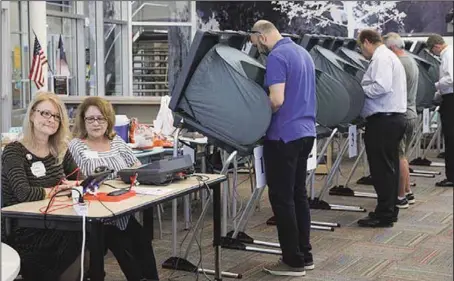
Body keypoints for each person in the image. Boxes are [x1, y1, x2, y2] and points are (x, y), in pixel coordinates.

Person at [249, 20, 316, 277]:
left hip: (283, 136)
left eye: (256, 45)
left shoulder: (277, 56)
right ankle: (304, 254)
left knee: (282, 198)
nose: (259, 50)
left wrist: (252, 113)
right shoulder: (302, 52)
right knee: (298, 195)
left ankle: (293, 261)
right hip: (305, 132)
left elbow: (276, 100)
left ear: (262, 37)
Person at [68, 97, 159, 281]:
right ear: (83, 121)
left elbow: (137, 167)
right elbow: (81, 179)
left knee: (142, 239)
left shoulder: (116, 141)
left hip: (121, 209)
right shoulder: (76, 145)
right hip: (95, 215)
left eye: (100, 118)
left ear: (108, 120)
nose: (96, 123)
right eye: (90, 119)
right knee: (122, 243)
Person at [1, 92, 82, 281]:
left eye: (56, 116)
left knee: (91, 234)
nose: (51, 119)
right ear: (31, 115)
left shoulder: (59, 149)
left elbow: (80, 179)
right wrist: (58, 191)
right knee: (76, 236)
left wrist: (73, 185)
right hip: (22, 229)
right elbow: (24, 193)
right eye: (45, 113)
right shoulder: (14, 151)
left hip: (55, 220)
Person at [357, 29, 407, 227]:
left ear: (368, 42)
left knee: (381, 169)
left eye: (361, 47)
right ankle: (388, 210)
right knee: (389, 168)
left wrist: (358, 91)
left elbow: (381, 87)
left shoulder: (381, 58)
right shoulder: (387, 56)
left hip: (384, 121)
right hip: (391, 120)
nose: (362, 51)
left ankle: (384, 214)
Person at [383, 32, 419, 208]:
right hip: (411, 113)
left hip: (403, 115)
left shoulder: (399, 64)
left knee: (399, 156)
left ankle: (400, 197)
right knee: (403, 155)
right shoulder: (410, 60)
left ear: (392, 48)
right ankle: (407, 192)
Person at [426, 34, 454, 187]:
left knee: (450, 139)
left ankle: (451, 177)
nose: (433, 54)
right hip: (449, 98)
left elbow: (451, 78)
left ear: (436, 46)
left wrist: (435, 86)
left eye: (432, 51)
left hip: (451, 100)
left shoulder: (448, 55)